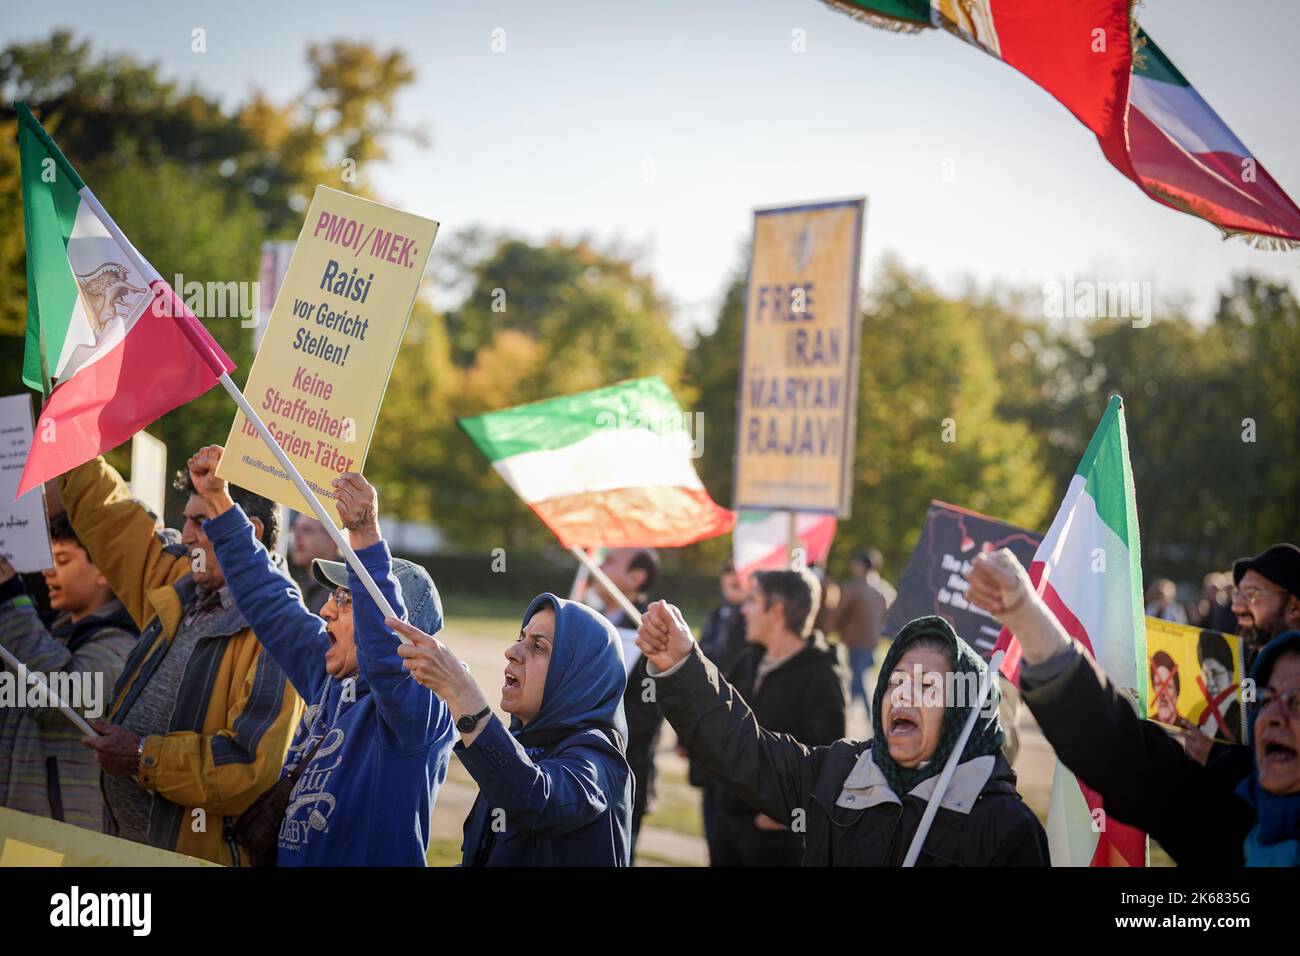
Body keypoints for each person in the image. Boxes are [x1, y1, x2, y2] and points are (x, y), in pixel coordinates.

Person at [187, 446, 456, 865]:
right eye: (333, 596)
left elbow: (387, 655)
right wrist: (220, 502)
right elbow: (269, 599)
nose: (326, 610)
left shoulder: (419, 711)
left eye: (347, 600)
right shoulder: (330, 678)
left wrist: (365, 533)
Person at [635, 604, 1048, 865]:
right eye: (896, 682)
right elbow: (744, 750)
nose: (902, 696)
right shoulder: (837, 772)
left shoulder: (1006, 826)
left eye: (927, 687)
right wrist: (683, 666)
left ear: (963, 711)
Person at [966, 547, 1300, 866]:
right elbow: (1131, 757)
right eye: (1267, 700)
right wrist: (1026, 615)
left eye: (1296, 702)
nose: (1271, 716)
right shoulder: (1231, 832)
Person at [61, 455, 301, 865]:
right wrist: (72, 443)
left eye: (201, 522)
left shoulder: (280, 632)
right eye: (186, 520)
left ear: (249, 532)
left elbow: (247, 768)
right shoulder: (180, 583)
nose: (187, 535)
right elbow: (114, 520)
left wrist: (141, 755)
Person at [393, 593, 632, 865]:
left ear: (579, 677)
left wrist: (463, 695)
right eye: (521, 638)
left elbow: (533, 801)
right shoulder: (523, 745)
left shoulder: (601, 760)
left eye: (538, 647)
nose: (512, 652)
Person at [0, 514, 138, 830]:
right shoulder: (48, 633)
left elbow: (52, 699)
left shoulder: (121, 644)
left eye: (62, 559)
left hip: (66, 841)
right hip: (21, 829)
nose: (49, 570)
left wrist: (10, 601)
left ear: (103, 568)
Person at [708, 568, 846, 866]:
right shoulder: (748, 660)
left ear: (776, 611)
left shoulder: (822, 676)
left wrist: (783, 815)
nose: (743, 609)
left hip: (775, 840)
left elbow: (828, 757)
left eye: (753, 600)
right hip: (728, 820)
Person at [588, 546, 661, 853]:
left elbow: (647, 715)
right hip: (575, 772)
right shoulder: (588, 618)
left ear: (636, 577)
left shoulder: (652, 634)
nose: (597, 565)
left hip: (619, 776)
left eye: (609, 561)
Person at [818, 549, 895, 722]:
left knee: (860, 680)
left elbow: (836, 612)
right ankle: (849, 714)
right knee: (858, 678)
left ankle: (874, 717)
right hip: (873, 641)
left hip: (856, 641)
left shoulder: (854, 588)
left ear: (860, 566)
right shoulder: (885, 590)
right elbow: (888, 617)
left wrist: (825, 632)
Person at [290, 513, 342, 614]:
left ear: (332, 539)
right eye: (294, 529)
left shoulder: (347, 587)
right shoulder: (298, 585)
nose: (296, 536)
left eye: (306, 530)